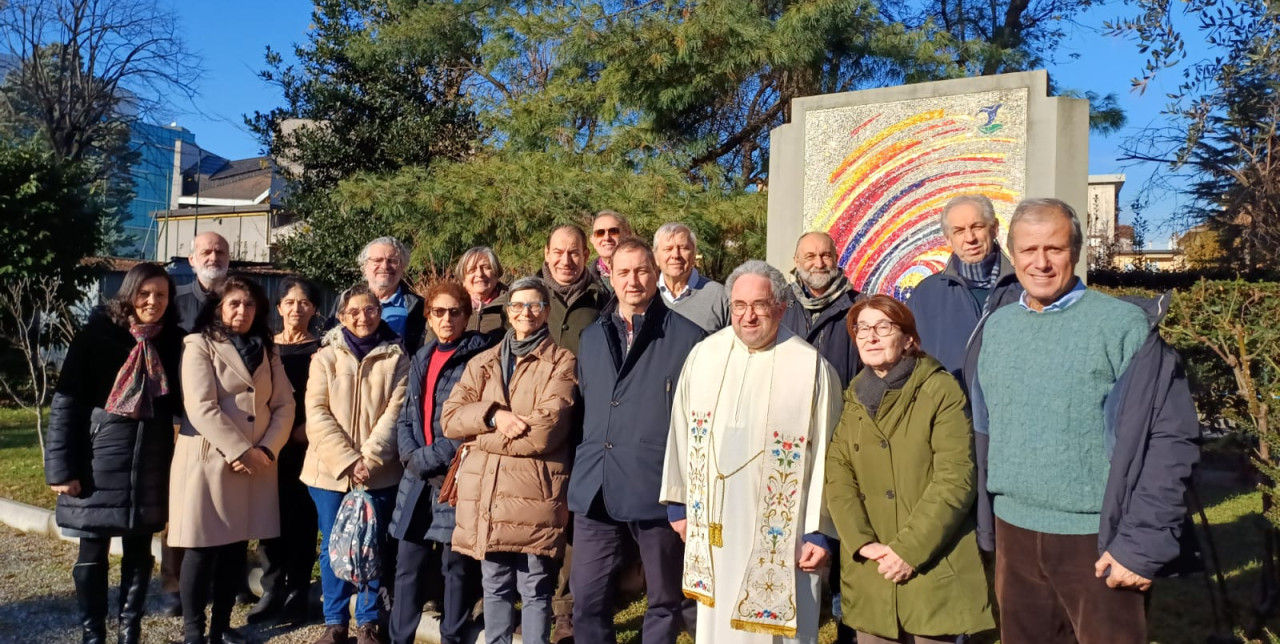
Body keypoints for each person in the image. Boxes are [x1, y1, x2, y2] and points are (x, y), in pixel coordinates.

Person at [970, 198, 1200, 644]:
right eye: (1028, 250)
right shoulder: (996, 328)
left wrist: (1138, 547)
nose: (1040, 262)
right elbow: (985, 428)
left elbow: (1170, 442)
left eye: (1053, 249)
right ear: (1011, 254)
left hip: (1096, 538)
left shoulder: (1122, 326)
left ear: (1074, 251)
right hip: (1014, 532)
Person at [660, 260, 842, 644]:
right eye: (739, 304)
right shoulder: (704, 355)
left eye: (759, 304)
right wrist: (679, 505)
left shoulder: (811, 368)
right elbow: (680, 431)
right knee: (716, 624)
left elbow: (830, 455)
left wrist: (821, 532)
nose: (748, 315)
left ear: (781, 307)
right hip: (712, 523)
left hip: (784, 532)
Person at [825, 295, 994, 643]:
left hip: (931, 563)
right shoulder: (854, 395)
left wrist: (908, 551)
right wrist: (862, 542)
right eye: (862, 329)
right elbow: (838, 473)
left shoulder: (940, 390)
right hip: (872, 567)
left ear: (908, 338)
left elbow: (956, 479)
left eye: (883, 327)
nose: (870, 336)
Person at [569, 239, 705, 644]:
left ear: (656, 273)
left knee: (664, 599)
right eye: (623, 272)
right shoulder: (592, 337)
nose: (633, 280)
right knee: (587, 599)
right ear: (610, 274)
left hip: (657, 487)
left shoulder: (689, 337)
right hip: (596, 486)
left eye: (642, 271)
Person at [46, 263, 184, 644]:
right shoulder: (96, 337)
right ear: (129, 294)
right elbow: (66, 404)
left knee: (139, 552)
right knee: (92, 552)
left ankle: (129, 633)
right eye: (145, 293)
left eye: (161, 294)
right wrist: (60, 468)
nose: (153, 301)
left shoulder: (174, 342)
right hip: (97, 459)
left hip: (151, 462)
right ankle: (93, 634)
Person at [442, 277, 577, 644]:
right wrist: (493, 415)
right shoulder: (483, 362)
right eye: (517, 306)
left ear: (547, 311)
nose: (525, 313)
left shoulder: (561, 362)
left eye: (534, 305)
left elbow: (544, 432)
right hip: (486, 492)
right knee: (495, 584)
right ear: (507, 312)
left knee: (535, 587)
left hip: (534, 492)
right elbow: (451, 418)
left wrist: (480, 437)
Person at [169, 275, 295, 644]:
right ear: (219, 307)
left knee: (234, 549)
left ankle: (221, 627)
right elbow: (201, 407)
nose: (243, 311)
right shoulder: (199, 344)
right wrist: (241, 450)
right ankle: (194, 632)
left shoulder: (269, 350)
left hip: (256, 464)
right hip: (210, 460)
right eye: (235, 303)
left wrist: (267, 450)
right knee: (201, 548)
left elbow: (285, 404)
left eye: (251, 304)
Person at [389, 282, 498, 644]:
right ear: (429, 316)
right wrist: (410, 456)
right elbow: (407, 415)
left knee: (456, 566)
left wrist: (432, 457)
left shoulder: (480, 358)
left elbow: (472, 420)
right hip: (417, 476)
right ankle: (400, 637)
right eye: (439, 311)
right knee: (409, 563)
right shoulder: (421, 356)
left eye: (455, 312)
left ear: (467, 316)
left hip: (456, 477)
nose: (447, 319)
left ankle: (452, 636)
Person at [304, 283, 410, 644]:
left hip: (379, 471)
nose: (362, 318)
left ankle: (368, 621)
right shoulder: (326, 357)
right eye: (354, 312)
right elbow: (316, 412)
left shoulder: (397, 356)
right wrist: (348, 461)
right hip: (328, 471)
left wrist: (369, 460)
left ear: (379, 313)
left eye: (370, 310)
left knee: (371, 543)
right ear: (341, 316)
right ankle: (335, 621)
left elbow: (396, 413)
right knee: (333, 543)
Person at [164, 230, 233, 615]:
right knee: (183, 505)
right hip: (183, 420)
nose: (213, 256)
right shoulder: (176, 303)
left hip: (233, 420)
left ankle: (229, 578)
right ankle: (175, 584)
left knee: (228, 501)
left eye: (220, 251)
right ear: (191, 259)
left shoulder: (240, 299)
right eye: (205, 251)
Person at [248, 276, 323, 626]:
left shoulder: (321, 350)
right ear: (279, 308)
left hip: (304, 445)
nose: (297, 308)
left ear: (315, 309)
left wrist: (303, 432)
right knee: (268, 518)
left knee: (302, 520)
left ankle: (297, 590)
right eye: (290, 302)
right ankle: (272, 588)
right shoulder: (263, 346)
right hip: (266, 445)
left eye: (304, 302)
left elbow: (329, 399)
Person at [905, 195, 1021, 381]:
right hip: (950, 408)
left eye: (977, 227)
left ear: (994, 229)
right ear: (948, 239)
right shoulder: (926, 295)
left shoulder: (1024, 289)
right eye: (959, 231)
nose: (970, 238)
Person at [781, 232, 862, 388]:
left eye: (826, 256)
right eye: (810, 256)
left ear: (836, 259)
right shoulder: (777, 305)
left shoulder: (860, 307)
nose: (819, 264)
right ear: (796, 261)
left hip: (838, 406)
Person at [341, 236, 427, 352]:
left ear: (403, 266)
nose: (385, 266)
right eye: (377, 260)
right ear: (365, 266)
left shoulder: (419, 307)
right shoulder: (344, 301)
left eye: (392, 261)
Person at [541, 224, 607, 357]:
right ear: (547, 254)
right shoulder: (525, 296)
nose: (566, 261)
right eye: (558, 252)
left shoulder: (603, 300)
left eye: (573, 253)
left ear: (586, 255)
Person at [653, 222, 730, 332]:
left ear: (694, 253)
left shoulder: (719, 296)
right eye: (668, 249)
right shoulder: (646, 295)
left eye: (683, 248)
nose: (675, 255)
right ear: (655, 256)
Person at [174, 231, 231, 332]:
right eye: (206, 253)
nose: (213, 258)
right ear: (191, 260)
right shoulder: (174, 300)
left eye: (219, 253)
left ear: (228, 259)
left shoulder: (245, 300)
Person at [457, 246, 509, 336]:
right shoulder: (451, 308)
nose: (479, 274)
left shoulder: (512, 304)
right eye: (472, 270)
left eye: (485, 267)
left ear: (496, 274)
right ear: (463, 279)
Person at [586, 210, 632, 293]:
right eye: (600, 233)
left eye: (613, 231)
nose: (606, 238)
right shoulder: (583, 281)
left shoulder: (643, 275)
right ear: (592, 240)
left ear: (627, 235)